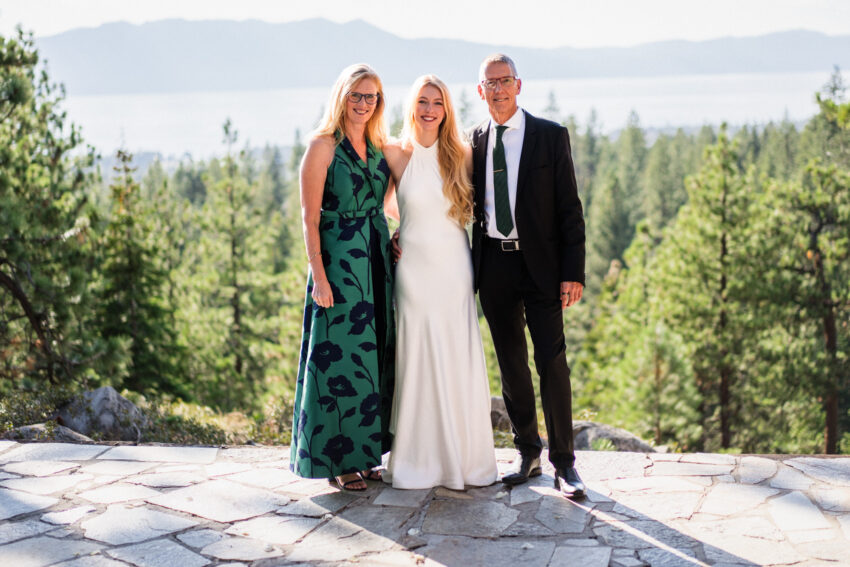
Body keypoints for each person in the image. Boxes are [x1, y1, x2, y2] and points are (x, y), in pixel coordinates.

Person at [470, 54, 587, 498]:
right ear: (480, 91)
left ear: (518, 85)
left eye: (504, 81)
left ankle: (565, 464)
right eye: (490, 83)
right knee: (511, 364)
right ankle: (528, 453)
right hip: (494, 265)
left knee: (552, 363)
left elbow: (569, 209)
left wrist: (572, 271)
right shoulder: (473, 140)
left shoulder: (549, 136)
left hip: (542, 267)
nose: (498, 90)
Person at [381, 75, 498, 490]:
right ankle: (417, 459)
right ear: (411, 107)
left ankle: (463, 461)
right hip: (412, 270)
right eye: (422, 102)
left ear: (446, 110)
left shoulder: (462, 154)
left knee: (454, 355)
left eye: (437, 103)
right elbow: (376, 205)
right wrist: (395, 235)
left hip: (453, 269)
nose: (429, 109)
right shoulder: (394, 152)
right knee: (416, 357)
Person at [290, 63, 395, 492]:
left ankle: (368, 454)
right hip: (338, 264)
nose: (364, 104)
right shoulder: (322, 146)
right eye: (357, 96)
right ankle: (338, 460)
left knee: (372, 359)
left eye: (371, 97)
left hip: (376, 260)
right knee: (338, 359)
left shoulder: (377, 144)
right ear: (342, 97)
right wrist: (319, 275)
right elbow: (308, 217)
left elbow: (388, 200)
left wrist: (399, 230)